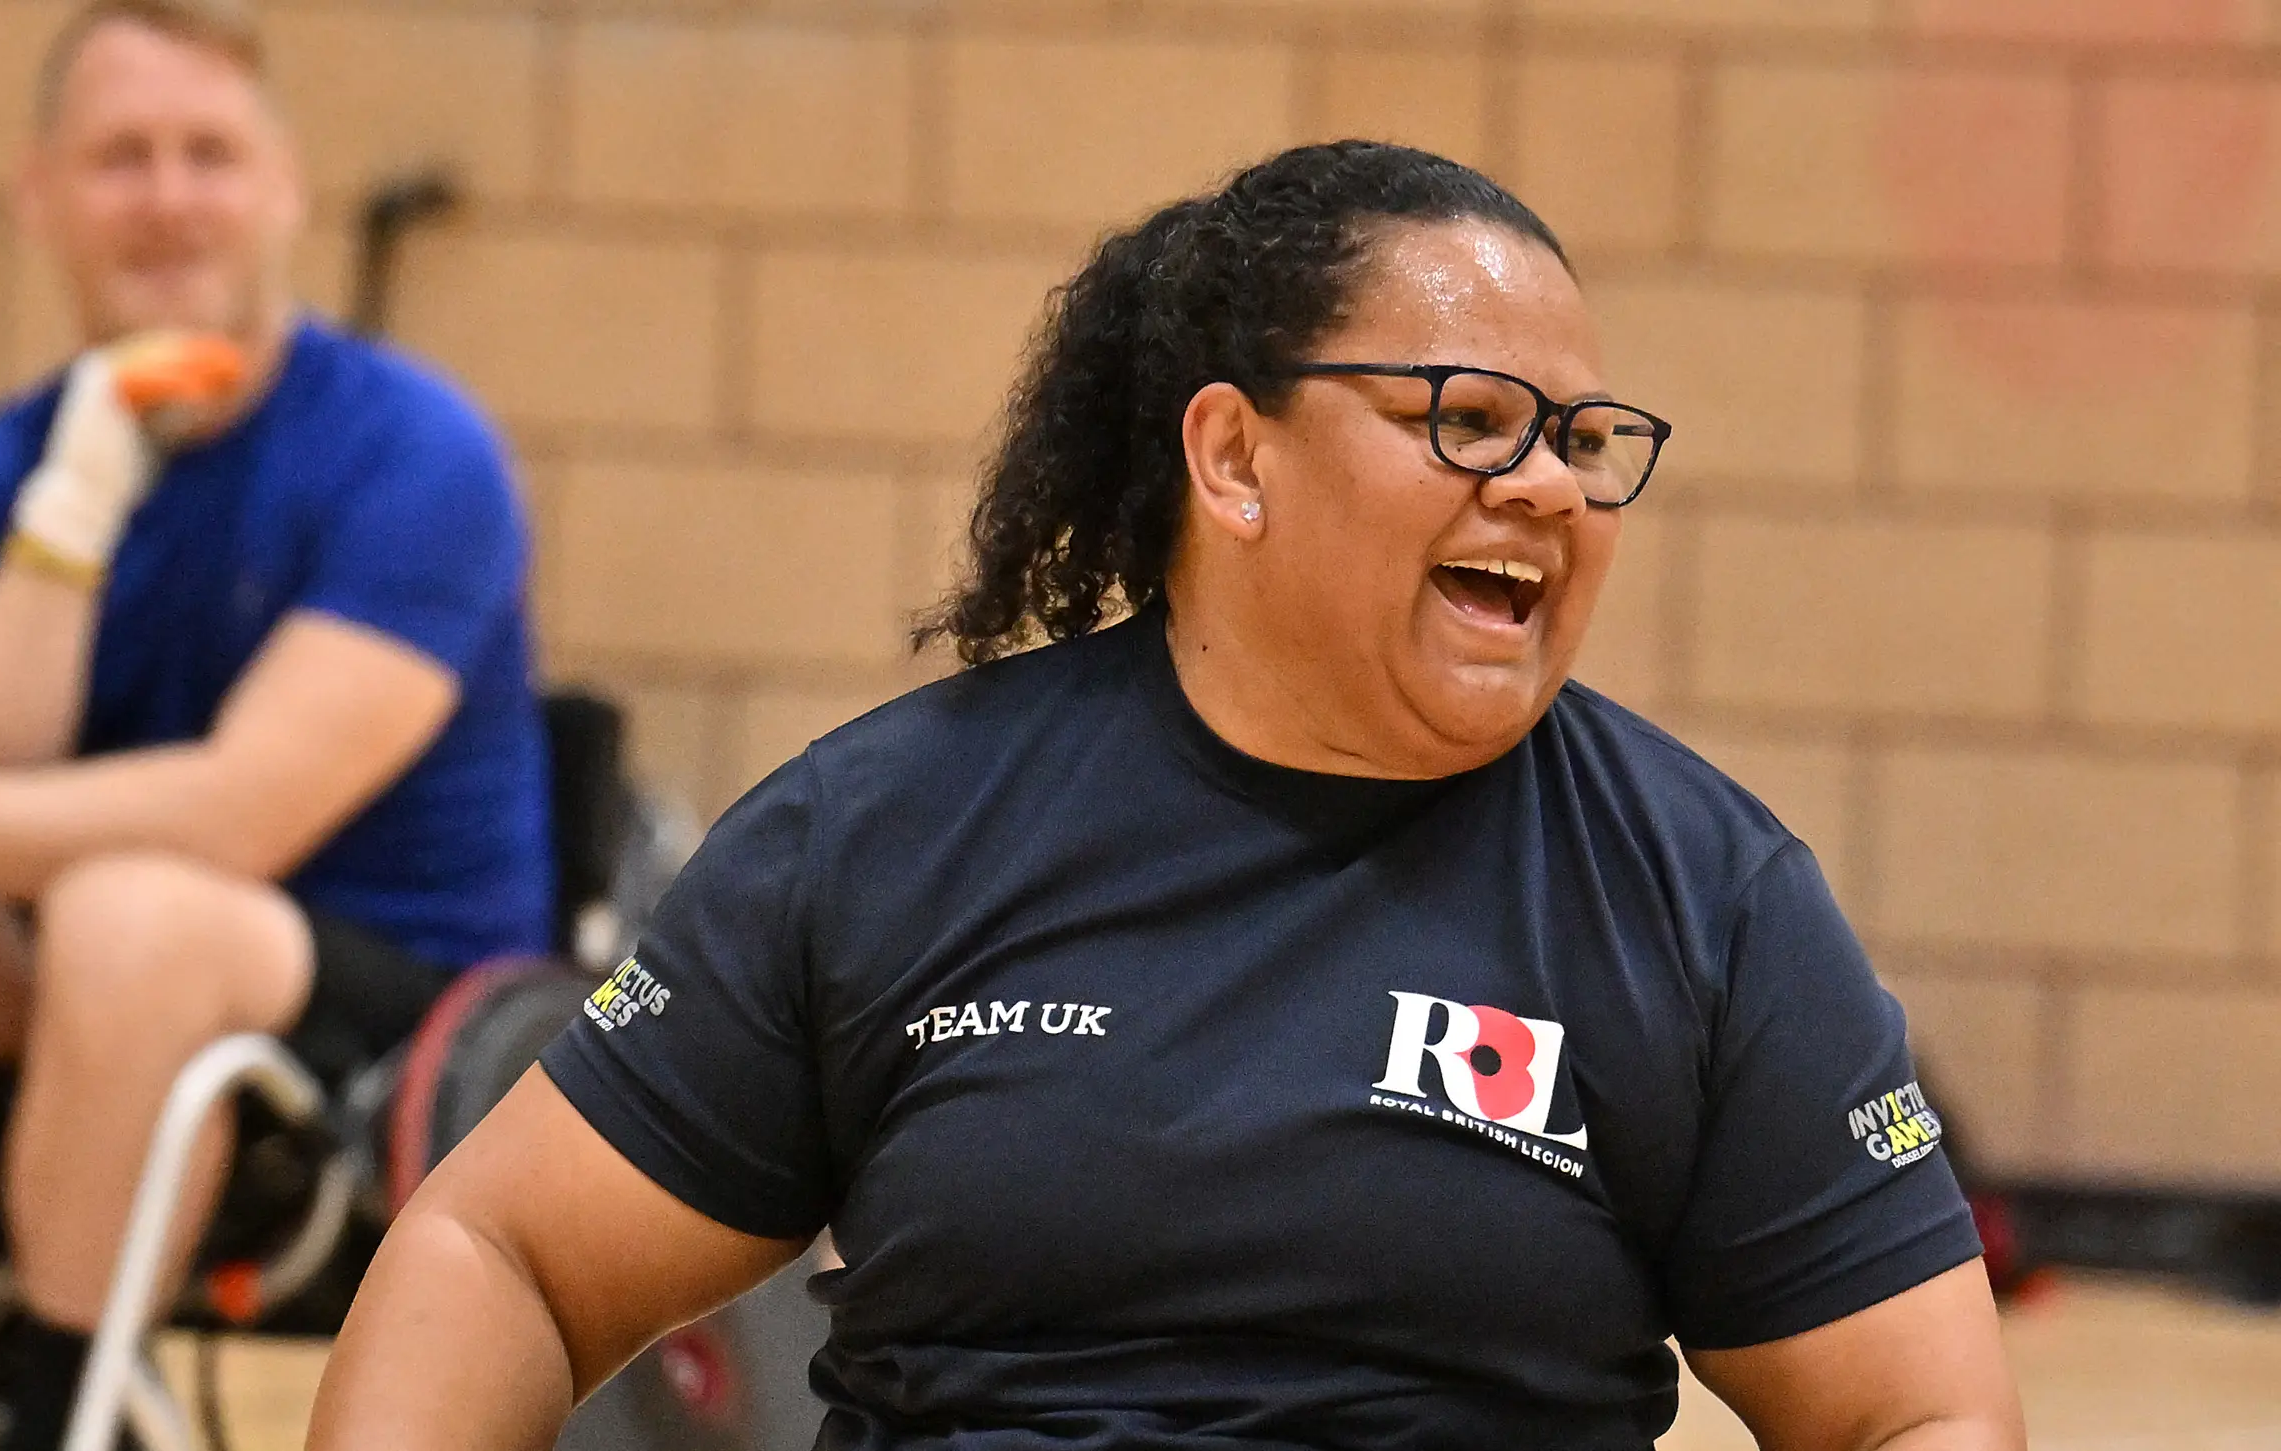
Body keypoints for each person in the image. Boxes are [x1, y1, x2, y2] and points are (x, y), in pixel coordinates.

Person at [304, 141, 2024, 1450]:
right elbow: (502, 1249)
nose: (1551, 488)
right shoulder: (893, 829)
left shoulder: (1705, 894)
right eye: (1474, 416)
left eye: (1582, 442)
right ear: (1233, 456)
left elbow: (1918, 1407)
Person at [0, 3, 553, 1450]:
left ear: (284, 188)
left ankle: (54, 1416)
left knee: (124, 913)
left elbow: (244, 810)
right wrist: (69, 515)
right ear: (41, 193)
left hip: (389, 1004)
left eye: (210, 153)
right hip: (77, 998)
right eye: (122, 158)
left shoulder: (416, 451)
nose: (170, 197)